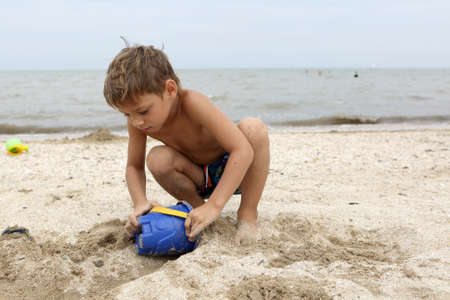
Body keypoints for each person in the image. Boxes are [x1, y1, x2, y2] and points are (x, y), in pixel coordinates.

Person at [103, 43, 270, 245]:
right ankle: (199, 210)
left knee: (254, 128)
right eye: (127, 114)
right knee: (157, 158)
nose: (136, 121)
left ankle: (247, 215)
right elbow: (134, 166)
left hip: (234, 171)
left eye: (143, 111)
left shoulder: (192, 102)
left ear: (170, 89)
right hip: (196, 178)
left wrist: (216, 204)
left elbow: (242, 151)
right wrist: (140, 203)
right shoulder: (138, 122)